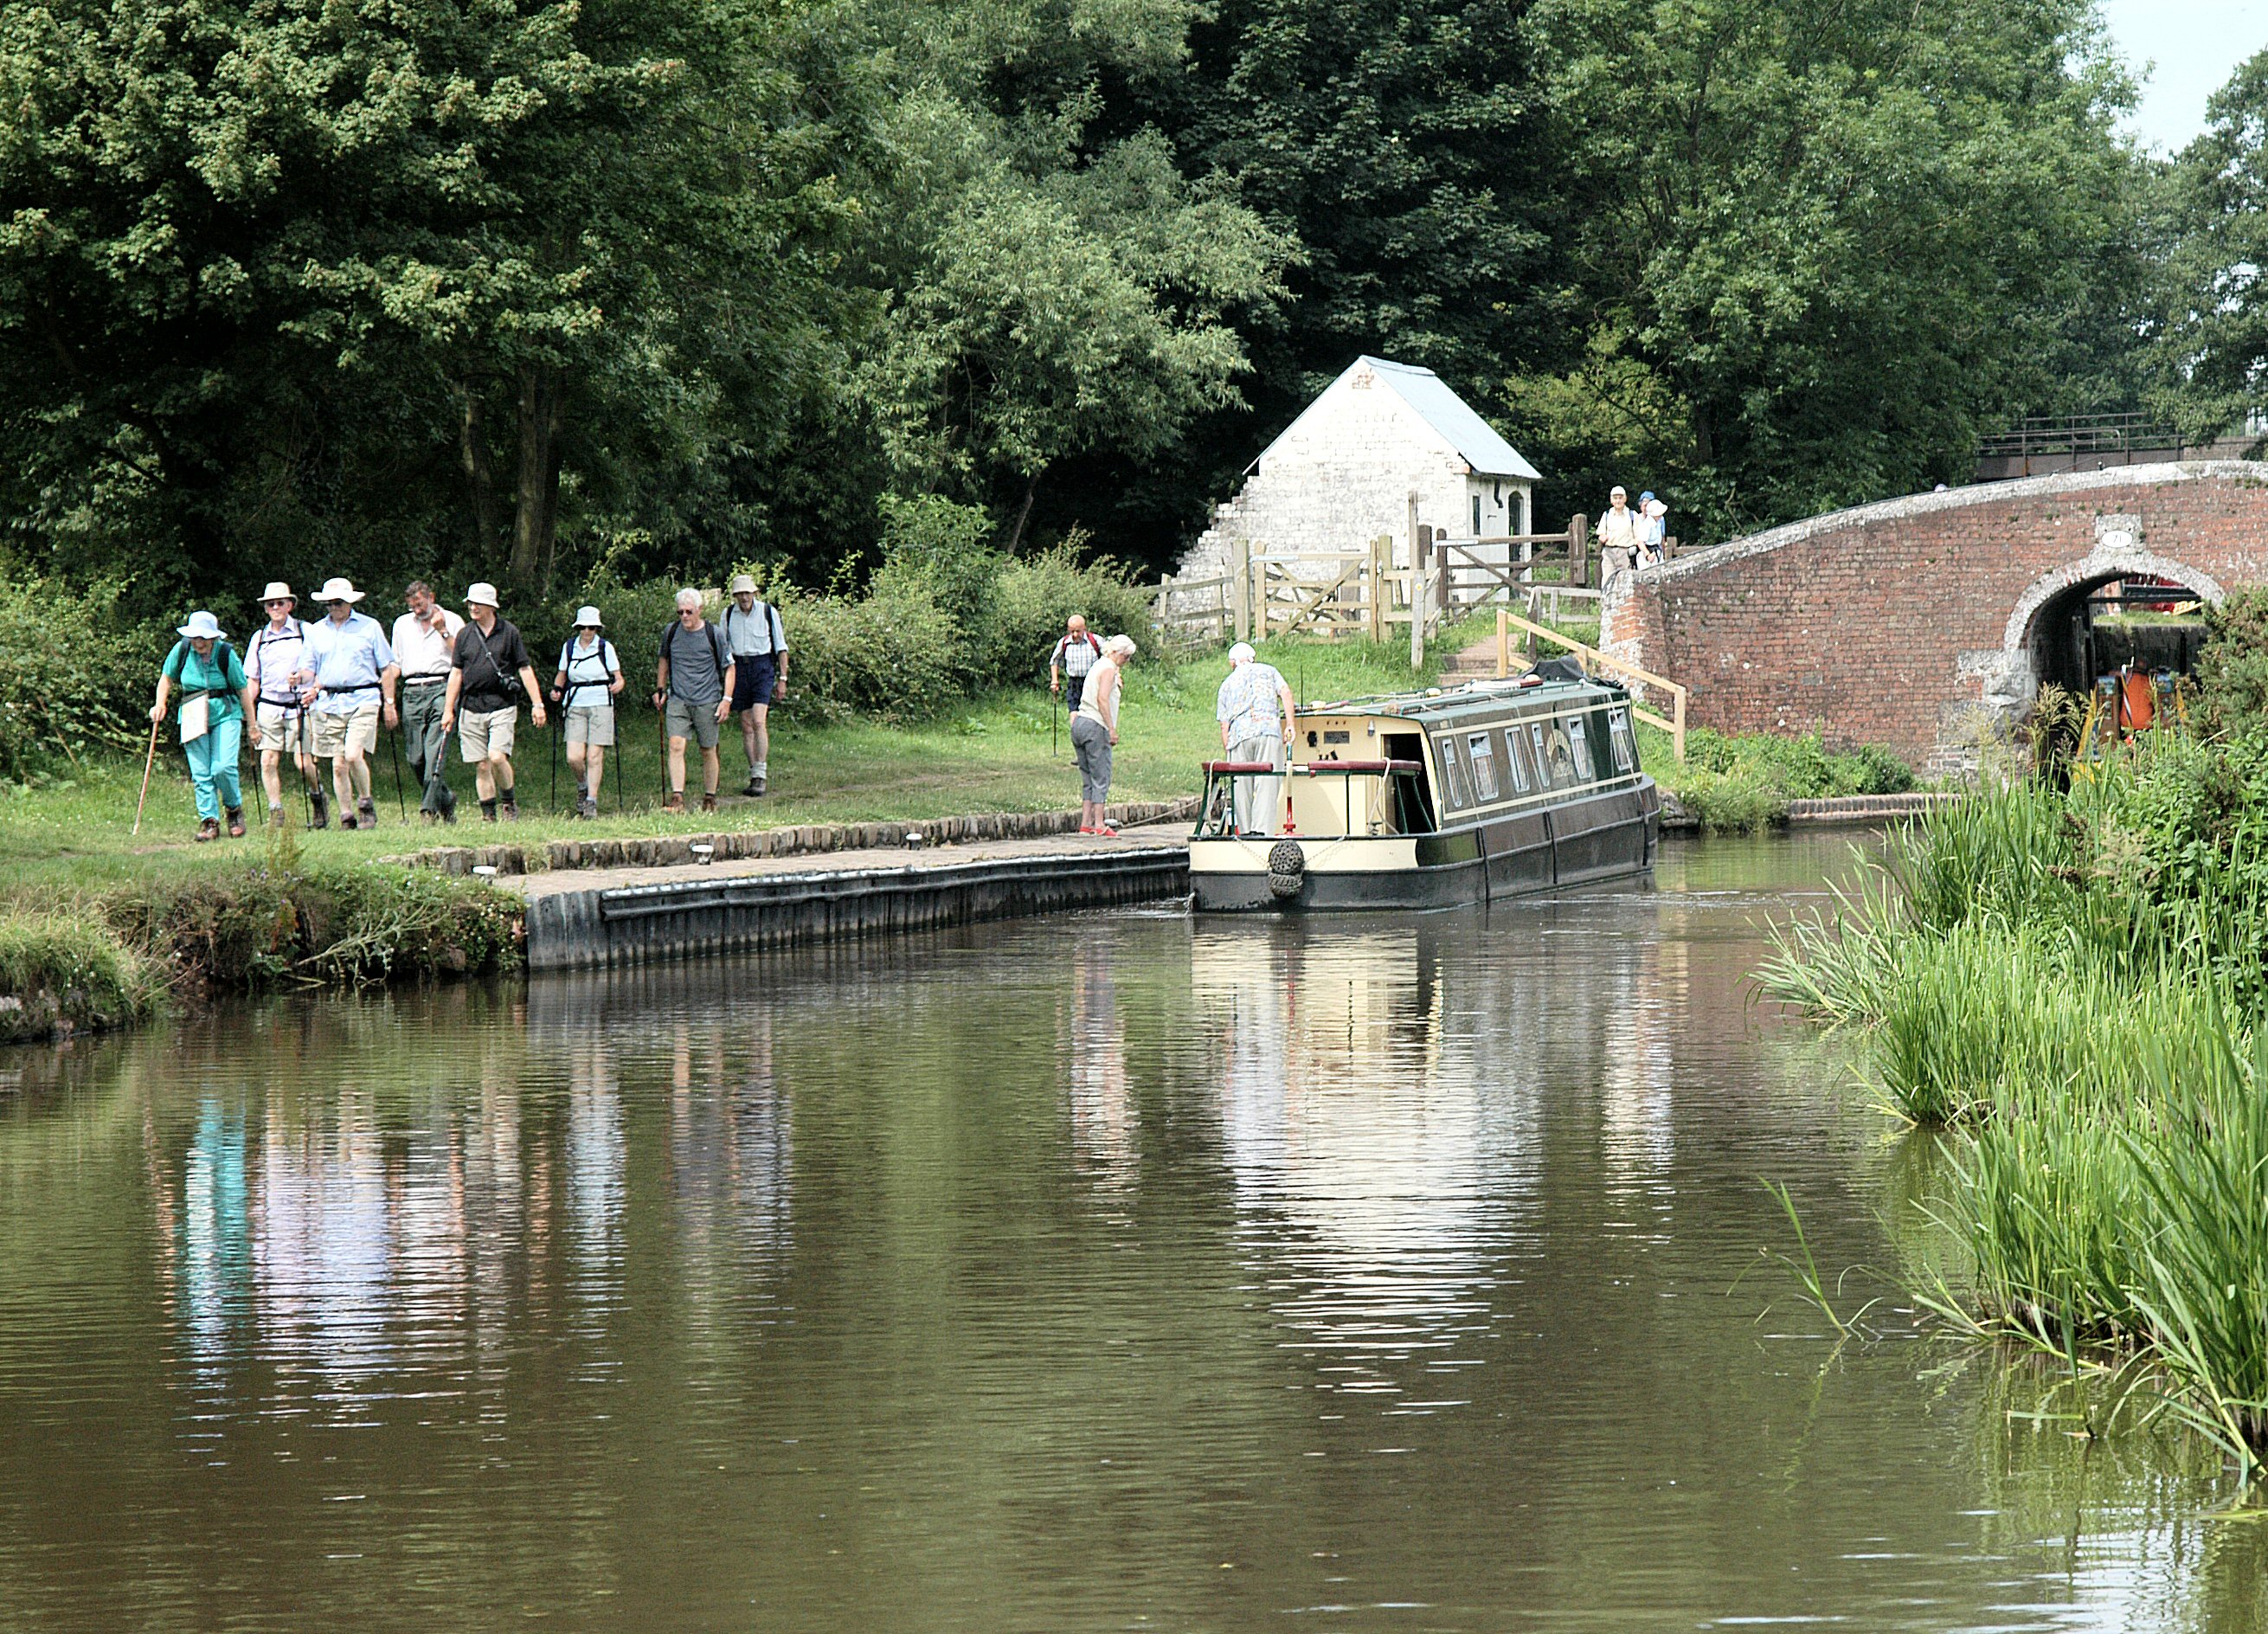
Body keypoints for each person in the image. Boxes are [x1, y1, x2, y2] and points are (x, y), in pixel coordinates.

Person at [297, 577, 398, 830]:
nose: (334, 608)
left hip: (363, 698)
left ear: (350, 602)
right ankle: (346, 815)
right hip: (329, 702)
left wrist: (389, 703)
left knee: (353, 755)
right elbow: (309, 668)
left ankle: (365, 803)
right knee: (338, 763)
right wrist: (300, 679)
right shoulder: (317, 631)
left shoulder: (369, 627)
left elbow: (387, 667)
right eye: (329, 604)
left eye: (338, 603)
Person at [440, 582, 546, 822]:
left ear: (491, 606)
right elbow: (456, 673)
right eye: (470, 603)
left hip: (502, 705)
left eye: (478, 603)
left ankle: (508, 801)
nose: (473, 607)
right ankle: (488, 815)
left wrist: (537, 704)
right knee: (481, 765)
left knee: (497, 757)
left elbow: (525, 669)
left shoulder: (509, 633)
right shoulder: (465, 635)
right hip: (471, 706)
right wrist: (449, 710)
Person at [151, 611, 257, 841]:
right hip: (192, 710)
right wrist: (160, 704)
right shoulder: (182, 650)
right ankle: (209, 822)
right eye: (195, 637)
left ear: (214, 637)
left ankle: (234, 810)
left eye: (204, 638)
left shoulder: (226, 654)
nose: (199, 642)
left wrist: (252, 725)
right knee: (200, 773)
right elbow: (166, 678)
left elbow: (242, 689)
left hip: (225, 711)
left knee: (223, 767)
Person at [243, 582, 326, 828]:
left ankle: (318, 797)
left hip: (300, 705)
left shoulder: (305, 631)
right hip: (269, 705)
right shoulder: (259, 638)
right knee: (268, 760)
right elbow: (253, 679)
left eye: (281, 603)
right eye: (271, 604)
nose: (276, 607)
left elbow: (323, 665)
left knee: (304, 764)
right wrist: (250, 717)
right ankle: (275, 812)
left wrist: (310, 685)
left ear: (290, 605)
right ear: (266, 608)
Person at [652, 588, 734, 814]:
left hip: (707, 700)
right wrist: (660, 688)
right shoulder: (671, 632)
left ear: (700, 610)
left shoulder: (713, 633)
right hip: (678, 698)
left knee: (708, 749)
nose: (685, 616)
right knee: (675, 745)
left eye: (689, 611)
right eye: (680, 612)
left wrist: (726, 699)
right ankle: (677, 798)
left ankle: (710, 797)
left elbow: (729, 667)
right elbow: (664, 660)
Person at [391, 580, 465, 825]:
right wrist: (387, 697)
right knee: (415, 758)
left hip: (441, 687)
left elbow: (464, 657)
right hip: (412, 690)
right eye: (412, 606)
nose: (417, 610)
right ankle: (446, 798)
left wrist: (443, 630)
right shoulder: (402, 624)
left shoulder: (453, 620)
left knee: (435, 754)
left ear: (430, 597)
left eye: (420, 604)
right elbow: (396, 664)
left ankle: (428, 811)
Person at [1215, 641, 1296, 837]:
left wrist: (1228, 750)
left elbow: (1224, 724)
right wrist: (1291, 724)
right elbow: (1285, 692)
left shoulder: (1226, 684)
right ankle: (1262, 833)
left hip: (1239, 736)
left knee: (1240, 785)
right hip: (1267, 730)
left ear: (1232, 663)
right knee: (1267, 783)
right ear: (1252, 658)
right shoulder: (1269, 671)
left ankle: (1244, 831)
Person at [550, 606, 623, 819]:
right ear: (578, 627)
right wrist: (556, 690)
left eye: (592, 627)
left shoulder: (605, 647)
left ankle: (591, 799)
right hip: (575, 703)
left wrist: (618, 685)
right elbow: (562, 674)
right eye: (584, 627)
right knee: (574, 756)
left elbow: (618, 677)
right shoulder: (570, 647)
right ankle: (582, 784)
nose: (588, 631)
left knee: (594, 755)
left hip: (601, 701)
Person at [722, 573, 788, 797]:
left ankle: (761, 772)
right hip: (738, 667)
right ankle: (754, 773)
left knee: (759, 720)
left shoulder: (768, 612)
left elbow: (780, 646)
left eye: (747, 593)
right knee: (746, 724)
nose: (744, 598)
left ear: (754, 593)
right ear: (735, 596)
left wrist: (783, 678)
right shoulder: (728, 614)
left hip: (762, 667)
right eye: (740, 594)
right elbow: (723, 647)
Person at [1071, 634, 1136, 836]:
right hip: (1095, 725)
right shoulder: (1108, 669)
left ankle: (1085, 823)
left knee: (1087, 776)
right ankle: (1099, 824)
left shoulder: (1098, 665)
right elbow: (1102, 699)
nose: (1126, 662)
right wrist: (1111, 729)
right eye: (1126, 657)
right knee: (1101, 775)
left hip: (1080, 722)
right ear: (1117, 653)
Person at [1049, 614, 1102, 714]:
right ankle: (1074, 729)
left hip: (1092, 682)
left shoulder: (1095, 640)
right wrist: (1055, 681)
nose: (1075, 634)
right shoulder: (1064, 642)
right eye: (1071, 631)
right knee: (1074, 712)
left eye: (1078, 631)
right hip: (1074, 683)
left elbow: (1110, 658)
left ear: (1084, 629)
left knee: (1092, 713)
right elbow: (1054, 661)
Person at [1595, 486, 1642, 586]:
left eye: (1620, 498)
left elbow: (1638, 536)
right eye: (1615, 498)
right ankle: (1606, 600)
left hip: (1625, 553)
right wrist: (1603, 537)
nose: (1618, 501)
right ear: (1611, 500)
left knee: (1625, 580)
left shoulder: (1632, 515)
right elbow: (1601, 533)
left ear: (1625, 499)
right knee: (1607, 579)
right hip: (1609, 552)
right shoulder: (1607, 514)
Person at [1637, 492, 1667, 566]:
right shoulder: (1647, 524)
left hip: (1657, 552)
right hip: (1648, 555)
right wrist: (1648, 555)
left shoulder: (1659, 523)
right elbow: (1640, 542)